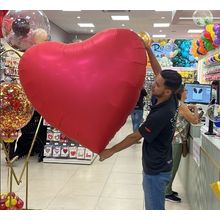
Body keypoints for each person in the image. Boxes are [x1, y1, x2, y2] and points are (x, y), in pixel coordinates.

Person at [100, 50, 182, 210]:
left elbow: (135, 136)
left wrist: (111, 150)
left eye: (157, 84)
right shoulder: (171, 97)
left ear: (167, 91)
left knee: (154, 209)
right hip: (163, 163)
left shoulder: (161, 114)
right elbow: (159, 72)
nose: (153, 84)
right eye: (155, 81)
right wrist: (148, 49)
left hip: (156, 170)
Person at [165, 85, 200, 203]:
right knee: (173, 167)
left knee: (172, 166)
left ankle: (168, 189)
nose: (187, 92)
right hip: (176, 140)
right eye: (185, 91)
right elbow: (195, 120)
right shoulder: (181, 105)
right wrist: (195, 108)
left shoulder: (178, 104)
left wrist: (188, 107)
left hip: (173, 139)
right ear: (180, 93)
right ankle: (167, 192)